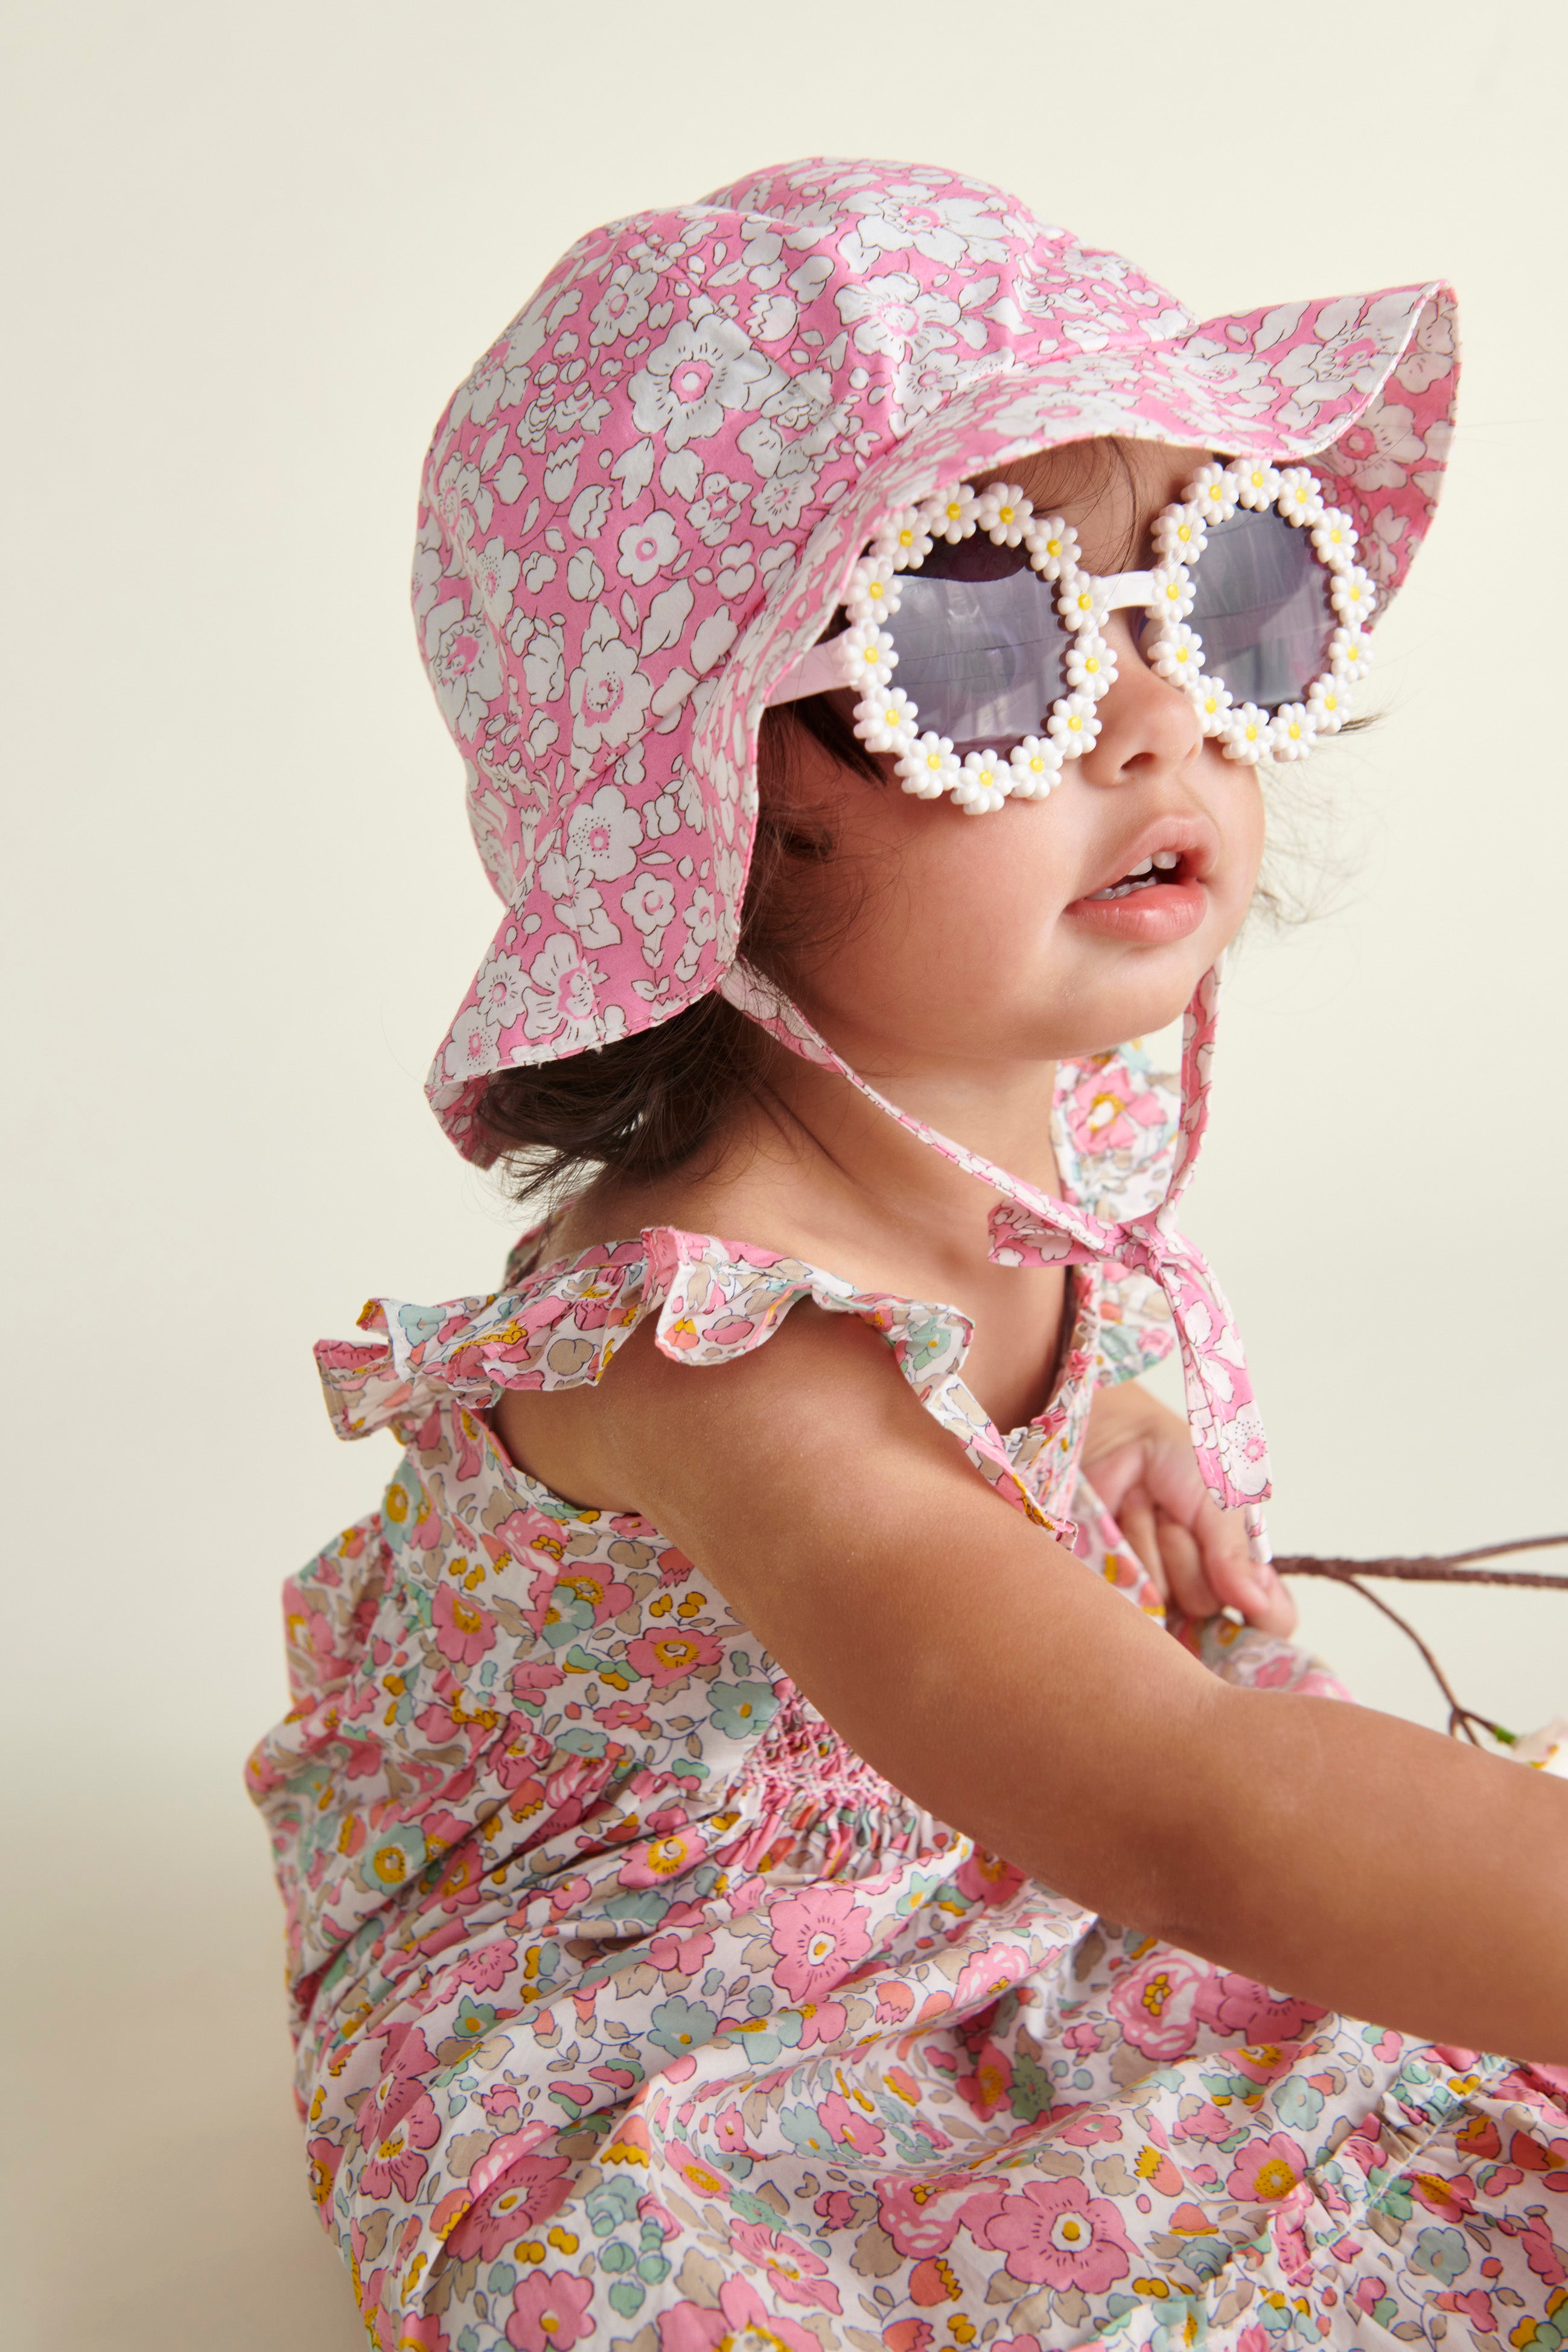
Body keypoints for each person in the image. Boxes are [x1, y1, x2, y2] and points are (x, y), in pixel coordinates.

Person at [247, 159, 1568, 2351]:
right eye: (987, 648)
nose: (1157, 719)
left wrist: (1103, 1425)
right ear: (706, 811)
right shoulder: (726, 1356)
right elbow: (1194, 1811)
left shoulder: (1006, 1145)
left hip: (1032, 1838)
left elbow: (1088, 1578)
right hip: (726, 2004)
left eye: (1213, 595)